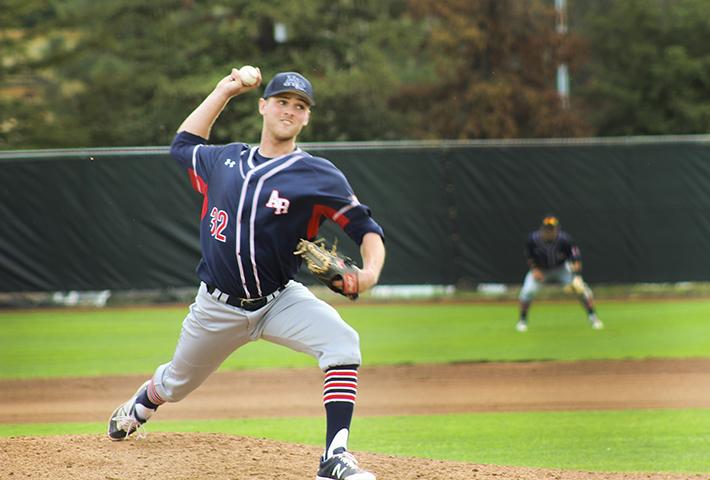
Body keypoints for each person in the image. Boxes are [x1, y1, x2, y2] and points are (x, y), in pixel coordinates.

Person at [107, 67, 385, 480]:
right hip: (217, 308)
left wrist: (370, 273)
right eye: (282, 101)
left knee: (343, 343)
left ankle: (334, 457)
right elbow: (183, 144)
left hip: (278, 300)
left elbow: (367, 231)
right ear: (263, 107)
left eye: (300, 106)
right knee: (176, 385)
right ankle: (144, 402)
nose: (290, 110)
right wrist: (225, 88)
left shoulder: (319, 175)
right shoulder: (224, 161)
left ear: (307, 118)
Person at [516, 214, 602, 332]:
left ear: (557, 229)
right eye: (547, 228)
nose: (549, 231)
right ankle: (522, 320)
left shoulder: (565, 239)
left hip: (561, 269)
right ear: (542, 229)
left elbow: (576, 258)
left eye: (552, 229)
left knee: (582, 290)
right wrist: (535, 270)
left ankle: (593, 317)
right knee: (528, 291)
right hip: (541, 269)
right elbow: (529, 256)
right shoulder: (533, 239)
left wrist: (576, 277)